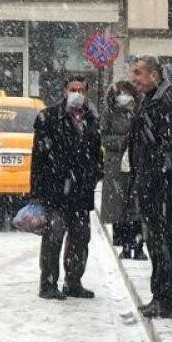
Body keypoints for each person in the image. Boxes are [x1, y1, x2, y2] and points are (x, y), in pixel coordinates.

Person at [29, 75, 103, 300]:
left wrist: (95, 173)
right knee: (54, 236)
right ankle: (48, 283)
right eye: (73, 89)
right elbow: (39, 157)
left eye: (81, 89)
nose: (77, 93)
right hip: (56, 189)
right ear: (64, 91)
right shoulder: (49, 116)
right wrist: (36, 193)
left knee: (81, 237)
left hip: (81, 190)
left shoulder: (91, 118)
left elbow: (96, 151)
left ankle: (73, 282)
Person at [129, 56, 172, 318]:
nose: (136, 80)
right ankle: (159, 296)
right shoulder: (149, 99)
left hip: (163, 185)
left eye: (139, 74)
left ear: (154, 74)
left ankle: (166, 300)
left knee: (163, 242)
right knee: (155, 242)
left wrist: (156, 175)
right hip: (150, 182)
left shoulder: (168, 99)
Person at [100, 81, 145, 260]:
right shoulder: (110, 111)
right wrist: (121, 141)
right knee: (119, 208)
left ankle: (139, 245)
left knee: (136, 207)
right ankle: (124, 244)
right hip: (116, 166)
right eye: (121, 93)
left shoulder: (140, 110)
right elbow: (103, 137)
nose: (124, 96)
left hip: (137, 165)